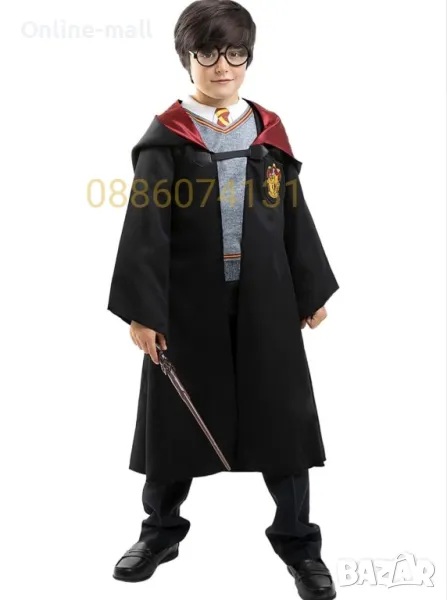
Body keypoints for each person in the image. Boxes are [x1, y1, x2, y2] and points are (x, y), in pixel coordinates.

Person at [107, 1, 339, 598]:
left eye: (235, 53)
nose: (223, 65)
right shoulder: (168, 139)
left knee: (282, 418)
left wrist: (310, 287)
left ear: (248, 58)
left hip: (267, 299)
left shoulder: (267, 132)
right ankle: (160, 532)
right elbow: (146, 229)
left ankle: (298, 542)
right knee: (173, 420)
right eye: (208, 53)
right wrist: (142, 311)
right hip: (187, 305)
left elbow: (293, 212)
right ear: (187, 58)